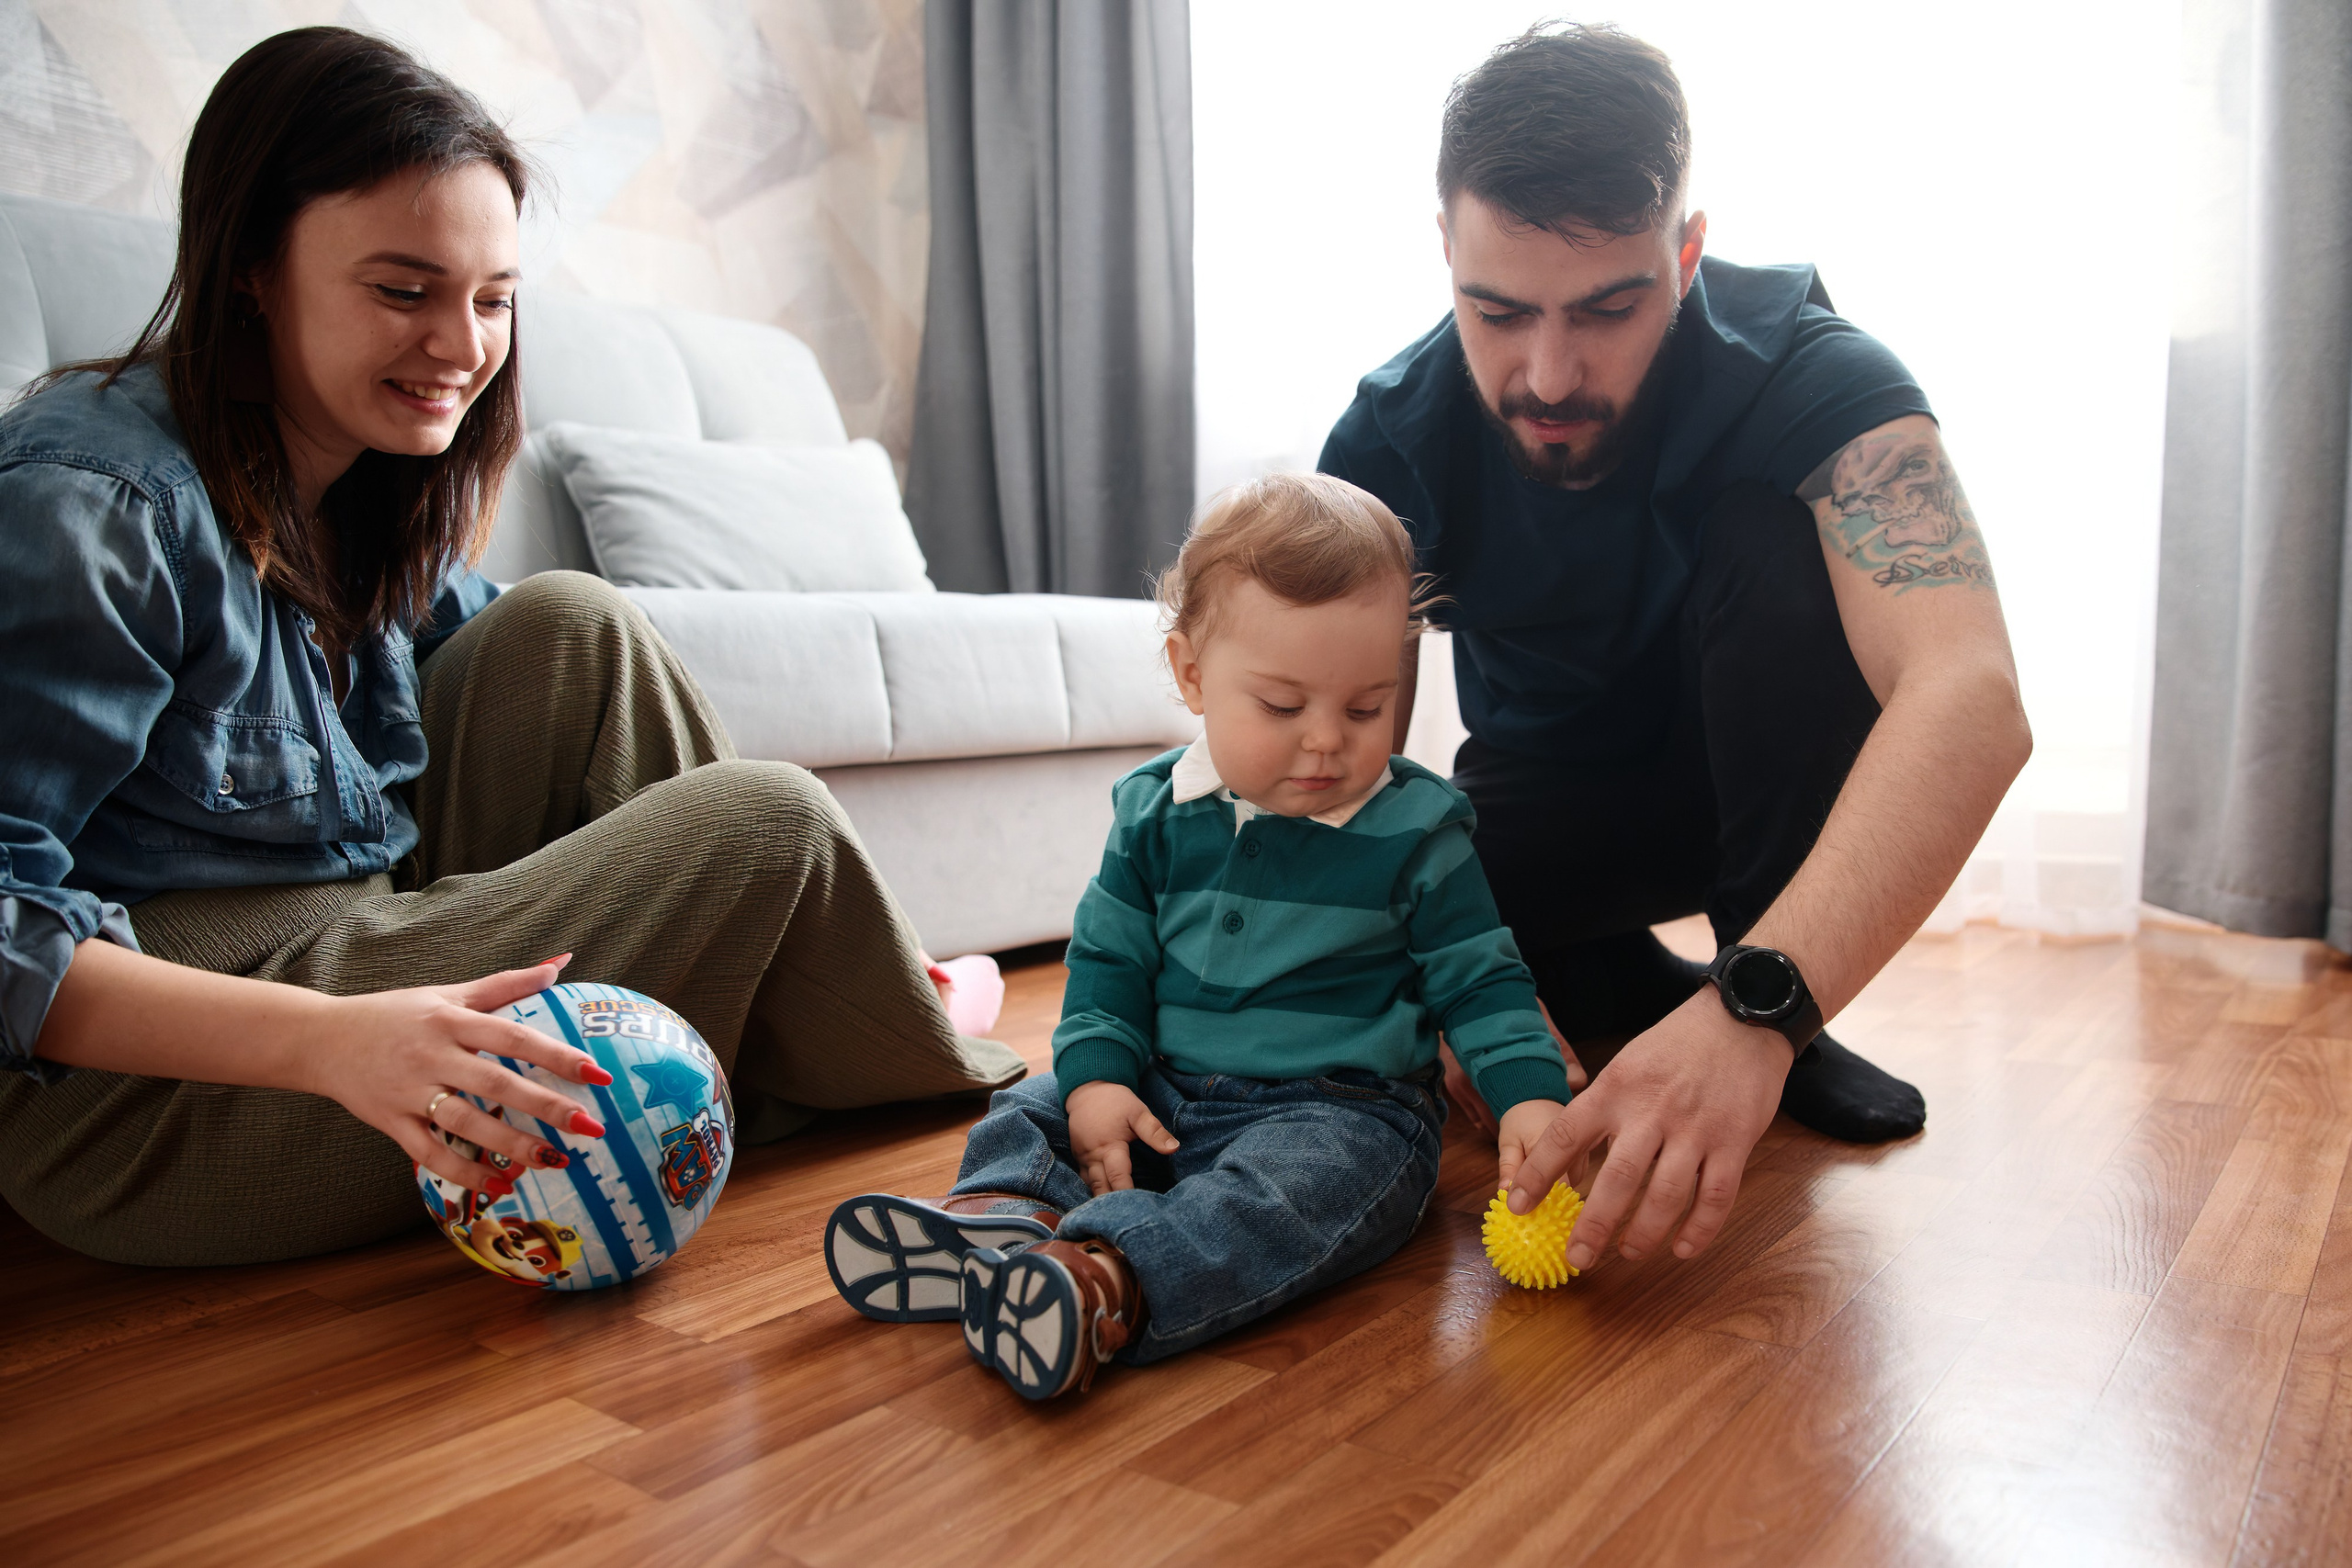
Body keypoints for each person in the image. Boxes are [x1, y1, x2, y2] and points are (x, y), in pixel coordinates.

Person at [0, 27, 1022, 1268]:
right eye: (402, 290)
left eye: (492, 301)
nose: (462, 349)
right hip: (141, 1093)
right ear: (251, 266)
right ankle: (869, 1021)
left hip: (342, 924)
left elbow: (546, 680)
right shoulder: (91, 504)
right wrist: (337, 1039)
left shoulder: (356, 483)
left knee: (574, 623)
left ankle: (841, 993)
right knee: (768, 824)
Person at [1318, 24, 2032, 1275]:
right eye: (1497, 311)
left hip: (1773, 788)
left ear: (1687, 254)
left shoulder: (1815, 371)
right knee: (1412, 895)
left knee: (1774, 533)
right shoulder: (1391, 439)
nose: (1547, 374)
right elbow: (1328, 770)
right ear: (1446, 250)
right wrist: (1417, 971)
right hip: (1556, 795)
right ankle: (1611, 982)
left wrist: (1760, 1012)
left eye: (1608, 308)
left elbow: (1970, 694)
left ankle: (1771, 1000)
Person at [821, 474, 1573, 1400]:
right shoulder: (1152, 813)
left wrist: (1530, 1102)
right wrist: (1101, 1080)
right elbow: (1109, 962)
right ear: (1190, 676)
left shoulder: (1418, 831)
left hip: (1340, 1106)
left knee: (1305, 1194)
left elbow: (1481, 984)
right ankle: (996, 1219)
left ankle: (1108, 1283)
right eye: (1284, 707)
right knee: (1035, 1103)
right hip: (1164, 1084)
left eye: (1366, 708)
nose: (1327, 743)